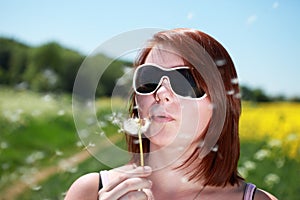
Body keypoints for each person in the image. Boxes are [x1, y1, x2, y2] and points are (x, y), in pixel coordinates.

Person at [65, 28, 277, 200]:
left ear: (221, 104)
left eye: (185, 81)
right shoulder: (89, 192)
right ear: (138, 100)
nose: (161, 93)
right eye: (148, 79)